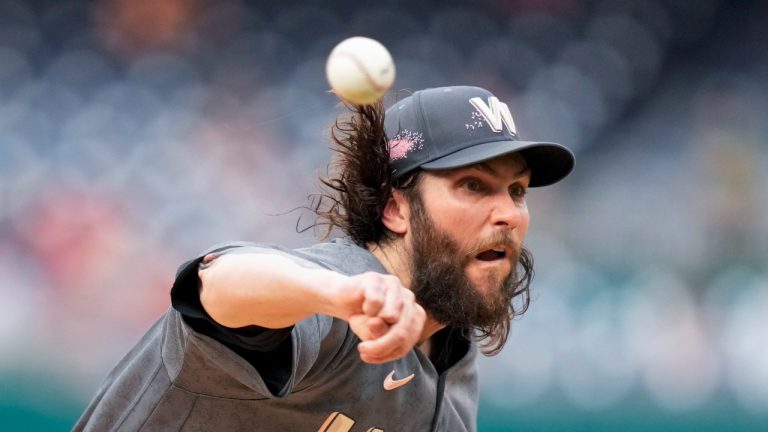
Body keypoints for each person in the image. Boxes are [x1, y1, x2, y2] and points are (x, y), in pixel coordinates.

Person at [74, 85, 574, 432]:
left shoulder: (453, 373)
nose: (508, 213)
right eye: (473, 185)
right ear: (395, 208)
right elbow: (218, 285)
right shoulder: (337, 290)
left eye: (517, 191)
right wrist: (334, 296)